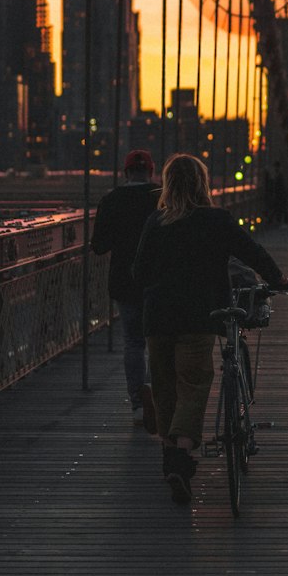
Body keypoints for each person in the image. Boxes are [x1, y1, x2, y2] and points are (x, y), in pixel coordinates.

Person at [132, 152, 288, 506]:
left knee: (164, 388)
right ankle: (182, 454)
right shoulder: (217, 220)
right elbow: (252, 252)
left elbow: (139, 273)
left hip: (158, 318)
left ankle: (170, 454)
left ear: (168, 184)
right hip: (199, 316)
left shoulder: (155, 222)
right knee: (193, 385)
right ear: (203, 184)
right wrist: (277, 278)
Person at [90, 148, 160, 423]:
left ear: (126, 172)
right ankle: (154, 393)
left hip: (125, 281)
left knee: (133, 342)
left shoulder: (112, 200)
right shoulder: (162, 199)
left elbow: (99, 246)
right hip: (157, 280)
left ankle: (138, 405)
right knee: (157, 340)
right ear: (151, 171)